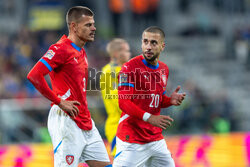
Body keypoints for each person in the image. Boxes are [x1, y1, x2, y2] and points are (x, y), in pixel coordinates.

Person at [27, 6, 111, 167]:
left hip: (85, 120)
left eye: (93, 24)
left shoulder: (81, 51)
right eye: (88, 25)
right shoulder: (60, 49)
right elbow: (33, 75)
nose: (94, 28)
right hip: (66, 119)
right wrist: (59, 101)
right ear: (73, 26)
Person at [113, 26, 186, 167]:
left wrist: (169, 100)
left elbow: (155, 100)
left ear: (162, 46)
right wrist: (150, 118)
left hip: (155, 139)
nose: (148, 47)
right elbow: (123, 103)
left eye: (153, 43)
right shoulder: (129, 68)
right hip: (132, 139)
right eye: (145, 42)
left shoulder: (164, 69)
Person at [100, 39, 131, 157]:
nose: (129, 54)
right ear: (116, 54)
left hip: (132, 125)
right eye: (126, 51)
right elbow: (118, 101)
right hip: (119, 126)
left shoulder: (127, 70)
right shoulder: (109, 72)